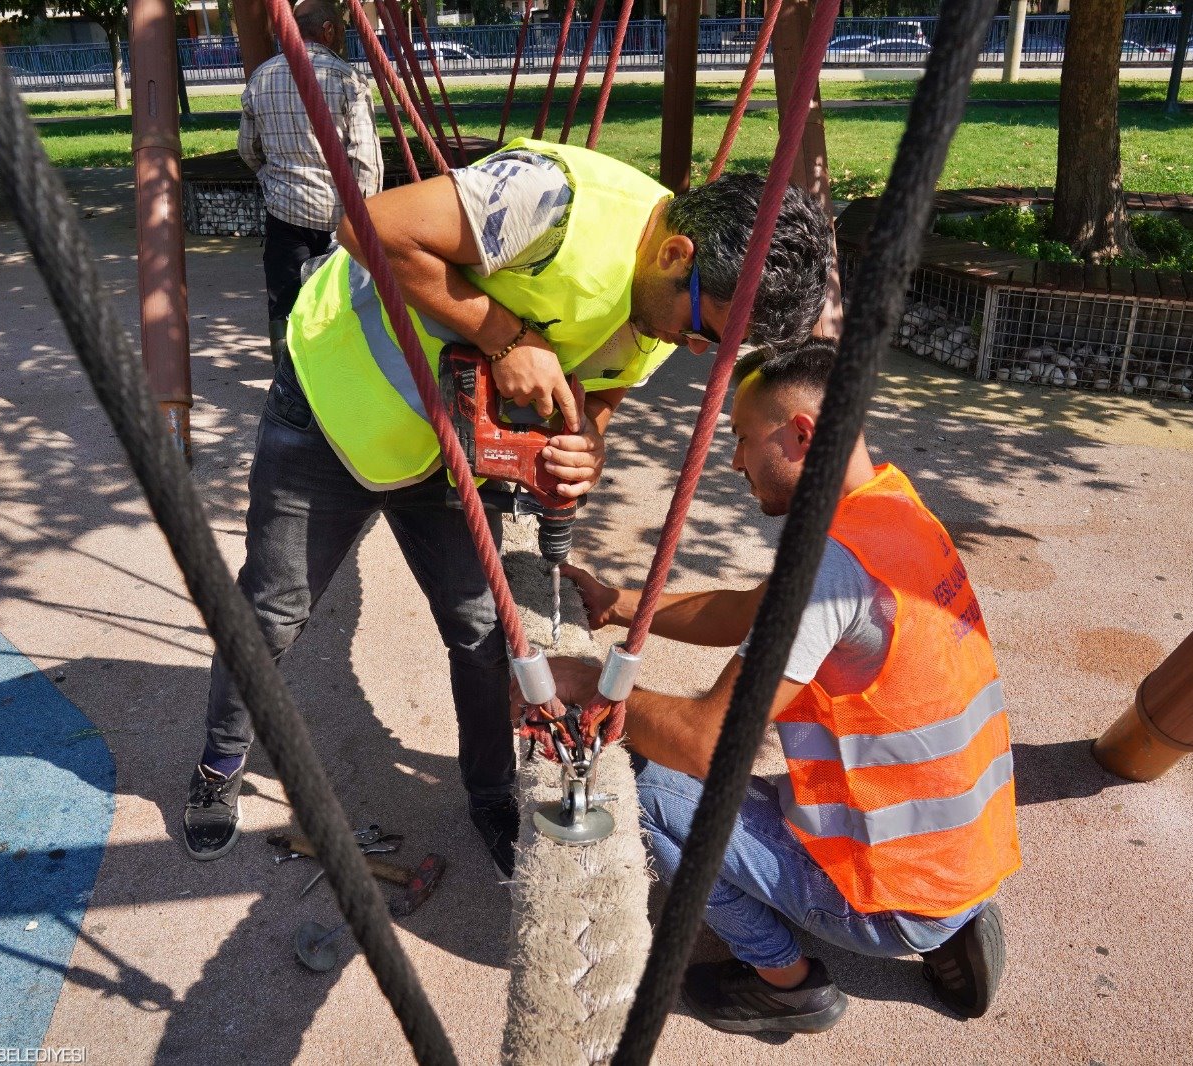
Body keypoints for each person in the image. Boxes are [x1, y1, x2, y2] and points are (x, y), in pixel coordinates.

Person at [181, 134, 836, 877]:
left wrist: (586, 442)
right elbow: (365, 226)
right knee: (271, 611)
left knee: (487, 633)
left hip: (451, 449)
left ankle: (491, 792)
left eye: (714, 346)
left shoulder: (668, 308)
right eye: (704, 329)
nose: (692, 349)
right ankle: (219, 762)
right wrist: (507, 337)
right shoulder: (551, 202)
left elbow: (604, 387)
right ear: (676, 253)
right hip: (336, 405)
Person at [546, 339, 1020, 1034]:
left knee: (636, 781)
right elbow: (751, 609)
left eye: (741, 438)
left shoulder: (828, 570)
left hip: (893, 892)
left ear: (801, 434)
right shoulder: (891, 508)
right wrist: (619, 604)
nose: (733, 460)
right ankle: (953, 924)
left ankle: (784, 982)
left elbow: (710, 743)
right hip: (959, 858)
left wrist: (586, 685)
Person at [239, 0, 383, 362]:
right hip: (340, 221)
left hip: (285, 214)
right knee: (340, 304)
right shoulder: (346, 79)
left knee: (285, 303)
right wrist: (361, 220)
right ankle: (337, 378)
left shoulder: (262, 77)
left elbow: (247, 148)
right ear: (328, 30)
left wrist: (271, 178)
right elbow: (367, 162)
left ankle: (287, 382)